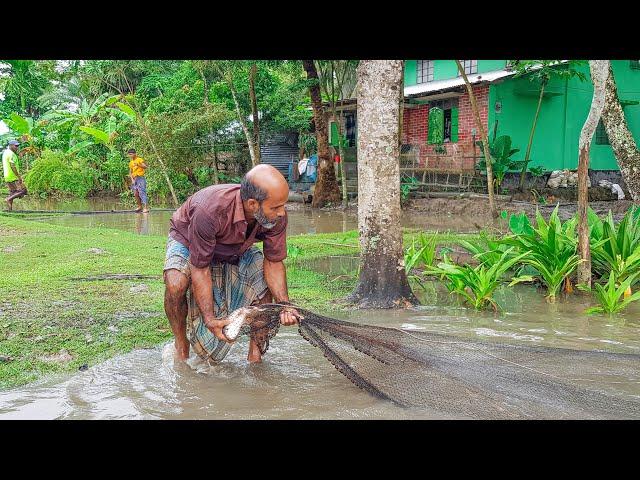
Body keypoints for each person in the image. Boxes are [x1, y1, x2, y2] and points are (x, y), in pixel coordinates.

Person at [163, 164, 302, 364]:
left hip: (236, 246)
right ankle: (181, 342)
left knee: (264, 289)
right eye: (276, 207)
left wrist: (285, 306)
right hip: (189, 240)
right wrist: (210, 319)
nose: (282, 213)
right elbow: (200, 268)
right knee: (175, 284)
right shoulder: (209, 210)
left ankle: (255, 356)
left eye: (283, 205)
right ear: (253, 204)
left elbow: (273, 262)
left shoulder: (276, 217)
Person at [3, 140, 27, 211]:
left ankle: (10, 210)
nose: (17, 147)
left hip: (7, 176)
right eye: (15, 146)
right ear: (10, 146)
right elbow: (12, 165)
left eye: (18, 146)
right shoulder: (11, 154)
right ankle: (8, 199)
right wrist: (18, 176)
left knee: (12, 193)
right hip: (13, 176)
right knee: (23, 191)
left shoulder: (5, 153)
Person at [127, 148, 149, 213]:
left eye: (131, 154)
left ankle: (145, 208)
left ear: (135, 154)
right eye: (129, 155)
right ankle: (139, 207)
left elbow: (145, 167)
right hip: (134, 179)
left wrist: (138, 164)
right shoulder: (131, 163)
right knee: (136, 193)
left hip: (140, 178)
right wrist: (132, 179)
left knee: (142, 192)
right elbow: (130, 172)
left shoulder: (139, 159)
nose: (130, 156)